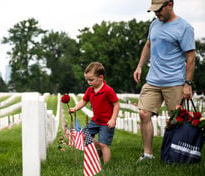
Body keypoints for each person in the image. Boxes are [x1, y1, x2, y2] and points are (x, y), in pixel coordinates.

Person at [133, 0, 195, 161]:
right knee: (143, 113)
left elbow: (190, 57)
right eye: (154, 11)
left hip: (175, 82)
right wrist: (140, 66)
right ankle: (148, 154)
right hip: (153, 80)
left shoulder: (184, 28)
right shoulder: (154, 25)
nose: (156, 14)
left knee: (176, 120)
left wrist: (187, 84)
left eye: (159, 10)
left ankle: (177, 155)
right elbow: (148, 45)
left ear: (170, 4)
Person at [69, 62, 120, 164]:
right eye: (87, 80)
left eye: (91, 80)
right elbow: (83, 101)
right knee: (83, 135)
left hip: (106, 123)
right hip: (95, 121)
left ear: (101, 77)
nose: (89, 82)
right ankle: (98, 148)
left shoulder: (108, 90)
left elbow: (116, 104)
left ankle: (107, 165)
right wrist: (75, 108)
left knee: (104, 144)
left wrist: (113, 119)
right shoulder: (90, 90)